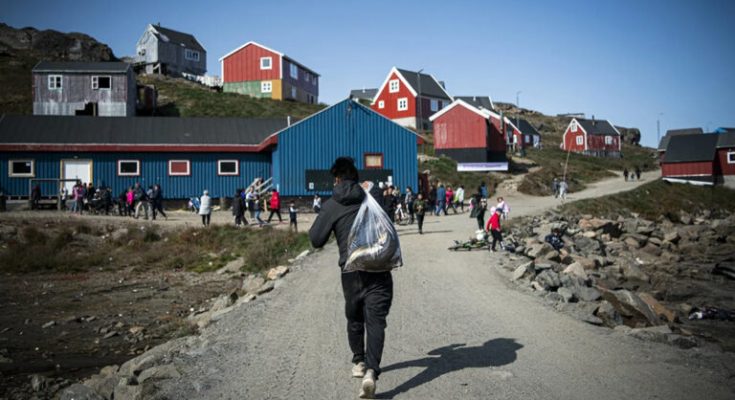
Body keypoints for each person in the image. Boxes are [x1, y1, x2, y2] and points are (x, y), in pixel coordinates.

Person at [308, 157, 394, 399]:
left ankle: (358, 361)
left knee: (355, 316)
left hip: (351, 272)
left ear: (336, 179)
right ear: (356, 178)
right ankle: (371, 373)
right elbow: (389, 220)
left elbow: (316, 240)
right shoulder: (371, 197)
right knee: (376, 322)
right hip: (378, 267)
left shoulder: (332, 205)